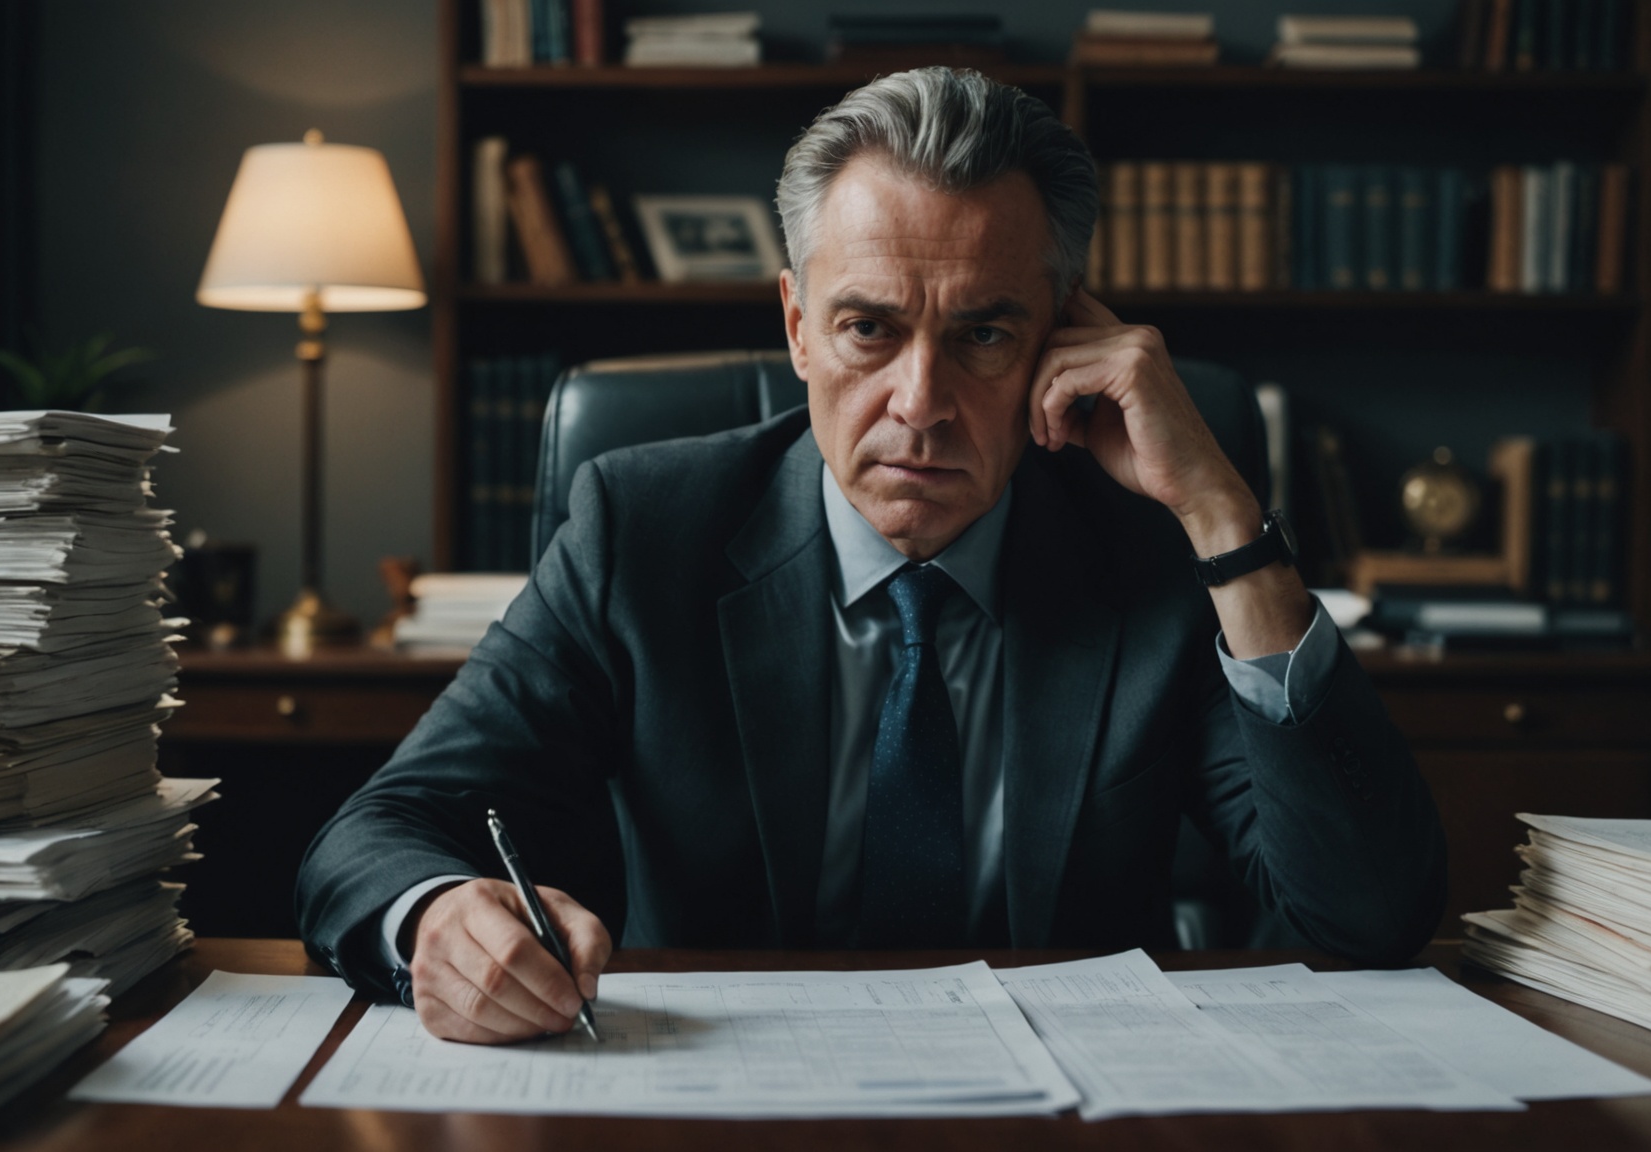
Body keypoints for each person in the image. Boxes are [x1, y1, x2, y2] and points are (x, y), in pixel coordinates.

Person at [297, 67, 1445, 1045]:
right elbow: (375, 833)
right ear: (798, 327)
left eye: (984, 332)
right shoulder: (642, 528)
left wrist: (1222, 516)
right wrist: (436, 917)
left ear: (1060, 337)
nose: (921, 403)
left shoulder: (1150, 550)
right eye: (869, 328)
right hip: (715, 1097)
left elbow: (1369, 919)